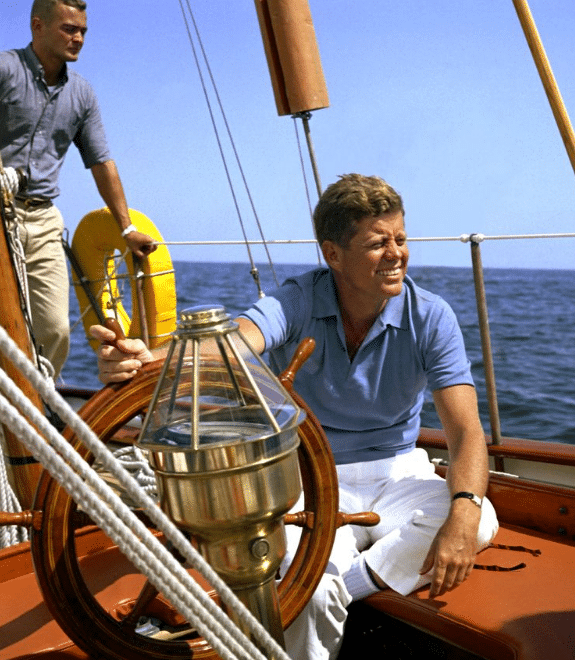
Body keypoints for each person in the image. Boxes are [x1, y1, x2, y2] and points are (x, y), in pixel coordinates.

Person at [91, 173, 499, 660]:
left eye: (401, 239)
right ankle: (324, 588)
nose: (396, 254)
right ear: (333, 255)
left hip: (399, 471)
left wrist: (463, 512)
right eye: (377, 243)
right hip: (312, 478)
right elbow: (238, 342)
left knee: (476, 520)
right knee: (312, 584)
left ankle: (337, 587)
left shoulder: (431, 316)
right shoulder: (300, 298)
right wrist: (154, 360)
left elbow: (466, 432)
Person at [0, 0, 156, 378]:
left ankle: (37, 416)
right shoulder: (5, 69)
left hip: (41, 219)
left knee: (54, 329)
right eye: (69, 28)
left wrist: (125, 228)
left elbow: (102, 162)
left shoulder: (82, 94)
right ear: (38, 25)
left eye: (83, 30)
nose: (79, 38)